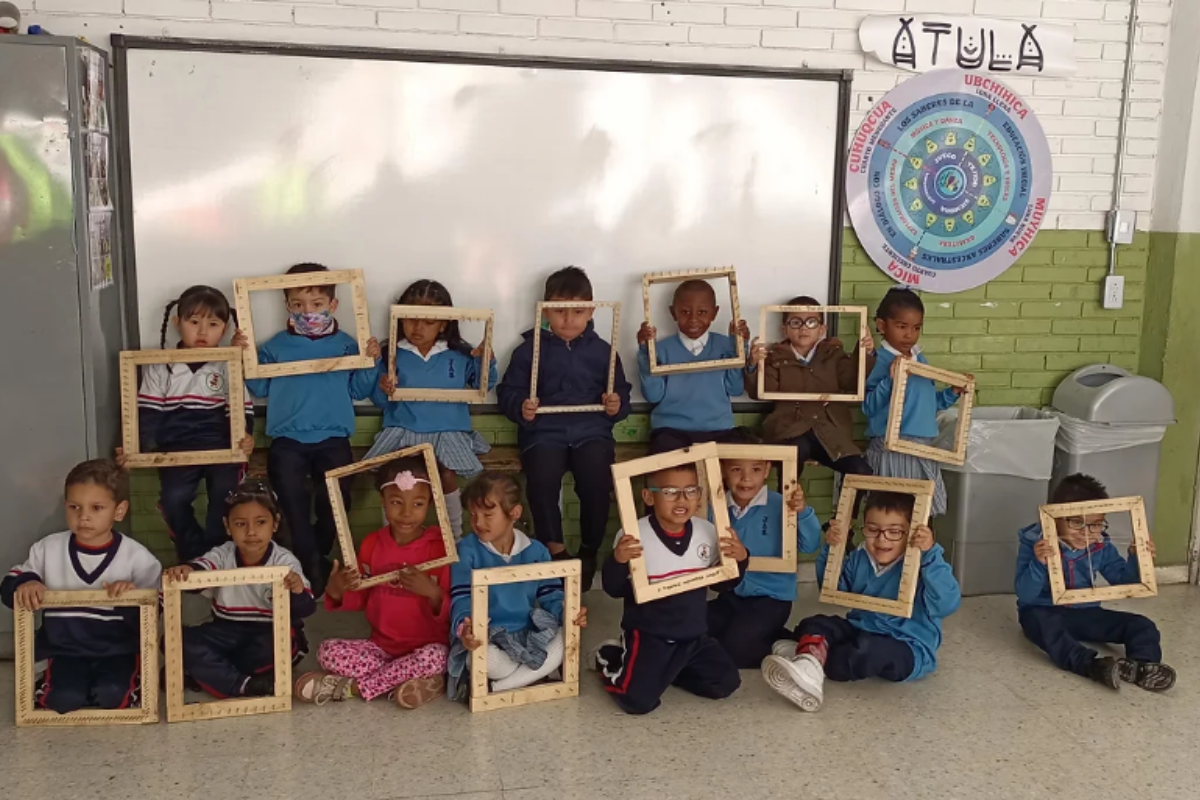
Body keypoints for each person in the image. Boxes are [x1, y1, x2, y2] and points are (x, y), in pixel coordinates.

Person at [235, 263, 381, 597]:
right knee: (291, 504)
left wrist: (371, 360)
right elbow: (258, 388)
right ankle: (311, 567)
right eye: (298, 304)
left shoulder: (347, 344)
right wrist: (243, 354)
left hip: (333, 437)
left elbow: (359, 391)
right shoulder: (275, 348)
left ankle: (315, 554)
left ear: (333, 305)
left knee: (336, 504)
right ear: (287, 305)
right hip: (287, 439)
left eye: (316, 304)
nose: (307, 311)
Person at [762, 491, 961, 712]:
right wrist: (832, 549)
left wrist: (930, 555)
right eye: (872, 529)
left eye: (895, 532)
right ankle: (809, 658)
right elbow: (834, 588)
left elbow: (947, 603)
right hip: (861, 628)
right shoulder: (860, 558)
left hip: (907, 645)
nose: (881, 538)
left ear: (913, 534)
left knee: (868, 650)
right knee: (815, 623)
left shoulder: (922, 563)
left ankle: (812, 660)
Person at [496, 266, 631, 590]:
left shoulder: (602, 351)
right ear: (544, 310)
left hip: (591, 431)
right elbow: (507, 391)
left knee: (597, 482)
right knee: (542, 478)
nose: (568, 319)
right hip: (544, 432)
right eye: (559, 311)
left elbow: (621, 392)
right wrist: (521, 407)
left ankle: (588, 551)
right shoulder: (529, 350)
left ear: (592, 311)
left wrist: (616, 405)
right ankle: (555, 549)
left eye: (578, 311)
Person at [1, 460, 162, 714]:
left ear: (119, 511)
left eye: (96, 508)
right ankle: (62, 685)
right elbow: (10, 585)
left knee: (112, 698)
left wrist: (132, 597)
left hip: (117, 650)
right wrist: (27, 583)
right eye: (74, 507)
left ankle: (123, 683)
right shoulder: (47, 549)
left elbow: (156, 608)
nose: (83, 516)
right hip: (64, 650)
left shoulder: (137, 558)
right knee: (63, 700)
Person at [294, 457, 450, 709]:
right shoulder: (371, 544)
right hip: (382, 649)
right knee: (327, 651)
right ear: (383, 502)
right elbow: (361, 598)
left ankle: (351, 687)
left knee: (437, 657)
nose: (407, 513)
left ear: (430, 504)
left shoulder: (440, 548)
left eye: (418, 504)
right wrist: (336, 589)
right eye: (396, 503)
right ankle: (414, 680)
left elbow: (455, 609)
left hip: (428, 647)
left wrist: (432, 593)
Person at [596, 462, 748, 715]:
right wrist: (618, 561)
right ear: (649, 496)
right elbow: (614, 588)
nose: (681, 499)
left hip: (693, 636)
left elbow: (724, 585)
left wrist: (740, 559)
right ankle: (610, 656)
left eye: (690, 490)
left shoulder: (707, 532)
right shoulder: (634, 535)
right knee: (638, 702)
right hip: (650, 635)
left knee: (725, 683)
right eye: (669, 492)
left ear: (699, 495)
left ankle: (669, 672)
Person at [117, 285, 254, 563]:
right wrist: (134, 448)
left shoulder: (228, 364)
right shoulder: (161, 365)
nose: (203, 333)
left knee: (226, 499)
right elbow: (149, 412)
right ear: (178, 323)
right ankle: (194, 554)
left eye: (213, 324)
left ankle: (217, 557)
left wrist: (245, 437)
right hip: (177, 449)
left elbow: (241, 411)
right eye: (194, 323)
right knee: (174, 499)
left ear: (225, 329)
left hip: (223, 447)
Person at [1014, 473, 1174, 691]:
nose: (1087, 533)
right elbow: (1025, 595)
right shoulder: (1036, 544)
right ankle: (1092, 666)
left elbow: (1124, 581)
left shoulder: (1101, 546)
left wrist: (1138, 558)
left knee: (1142, 625)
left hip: (1086, 612)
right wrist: (1038, 563)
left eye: (1096, 525)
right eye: (1077, 522)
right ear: (1053, 518)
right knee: (1046, 627)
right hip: (1042, 611)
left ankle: (1143, 665)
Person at [164, 479, 316, 699]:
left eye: (261, 522)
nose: (251, 532)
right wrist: (187, 571)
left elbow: (307, 608)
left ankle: (209, 673)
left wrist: (296, 589)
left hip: (268, 632)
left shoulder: (285, 561)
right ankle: (241, 684)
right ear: (228, 526)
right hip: (226, 631)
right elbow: (200, 573)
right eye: (241, 524)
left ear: (275, 524)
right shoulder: (223, 553)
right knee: (173, 640)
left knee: (281, 645)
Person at [369, 279, 498, 540]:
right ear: (400, 318)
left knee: (447, 474)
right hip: (404, 429)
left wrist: (487, 361)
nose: (418, 328)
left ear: (443, 324)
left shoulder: (460, 354)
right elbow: (381, 401)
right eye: (412, 319)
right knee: (397, 477)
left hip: (448, 430)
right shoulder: (392, 354)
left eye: (428, 322)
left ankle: (454, 536)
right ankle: (390, 537)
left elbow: (483, 385)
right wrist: (383, 388)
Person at [446, 473, 588, 700]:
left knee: (567, 636)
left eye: (488, 514)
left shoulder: (537, 551)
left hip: (527, 633)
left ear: (514, 513)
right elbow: (461, 597)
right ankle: (530, 674)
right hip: (489, 636)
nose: (478, 523)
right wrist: (467, 628)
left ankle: (500, 687)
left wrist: (569, 612)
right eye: (473, 515)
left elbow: (551, 594)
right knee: (480, 658)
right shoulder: (466, 550)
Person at [707, 445, 822, 668]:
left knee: (734, 651)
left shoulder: (782, 504)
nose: (746, 478)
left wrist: (803, 513)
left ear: (768, 469)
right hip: (732, 595)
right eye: (736, 469)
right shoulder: (716, 509)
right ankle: (770, 634)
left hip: (771, 598)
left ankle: (787, 644)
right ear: (722, 469)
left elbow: (810, 546)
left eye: (756, 469)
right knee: (693, 629)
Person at [861, 288, 970, 516]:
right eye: (901, 326)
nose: (909, 334)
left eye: (916, 327)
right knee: (894, 516)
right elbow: (868, 407)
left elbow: (929, 404)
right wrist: (891, 380)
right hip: (892, 450)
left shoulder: (919, 359)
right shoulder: (877, 361)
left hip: (923, 449)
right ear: (881, 326)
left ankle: (924, 553)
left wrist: (952, 392)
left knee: (923, 518)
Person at [746, 296, 875, 480]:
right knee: (793, 455)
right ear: (785, 329)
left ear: (822, 329)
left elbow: (851, 381)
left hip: (829, 432)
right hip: (790, 430)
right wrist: (754, 364)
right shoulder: (775, 357)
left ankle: (850, 510)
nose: (804, 328)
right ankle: (787, 507)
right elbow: (760, 390)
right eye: (796, 322)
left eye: (811, 322)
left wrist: (865, 353)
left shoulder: (834, 355)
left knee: (861, 471)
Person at [638, 278, 750, 454]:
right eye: (684, 312)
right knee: (666, 457)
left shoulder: (726, 345)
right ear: (672, 313)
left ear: (714, 313)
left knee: (738, 457)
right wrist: (646, 353)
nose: (693, 319)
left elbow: (735, 389)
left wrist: (739, 348)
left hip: (718, 430)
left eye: (702, 312)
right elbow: (653, 395)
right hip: (671, 430)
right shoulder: (660, 349)